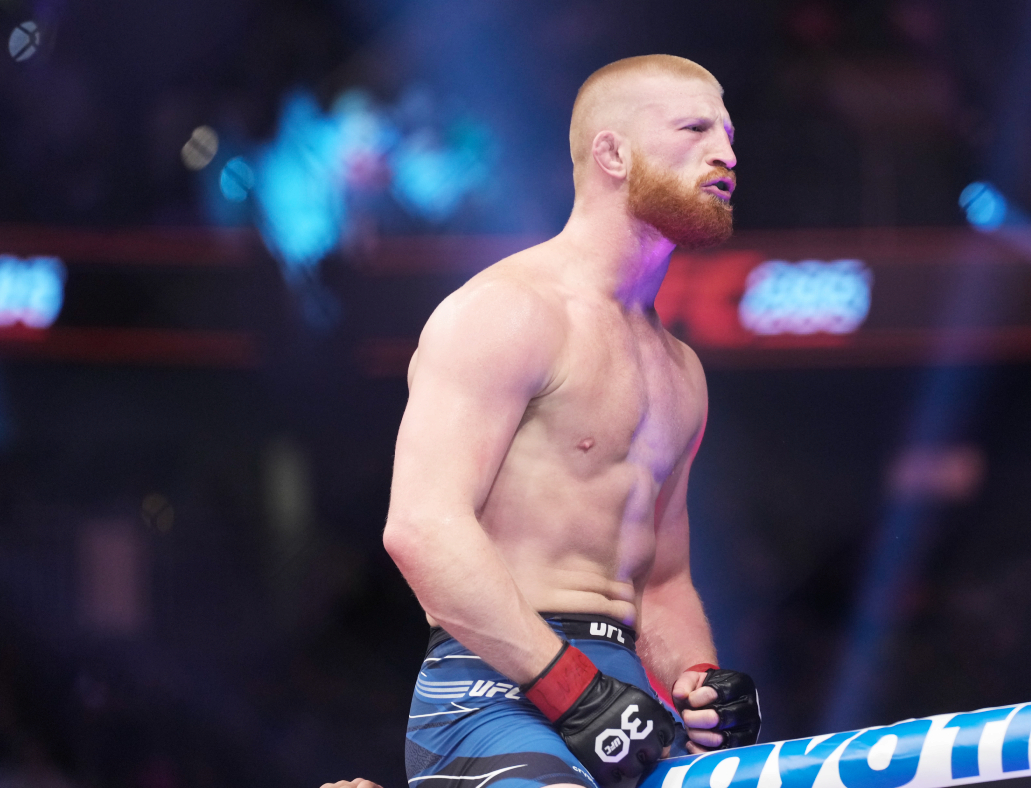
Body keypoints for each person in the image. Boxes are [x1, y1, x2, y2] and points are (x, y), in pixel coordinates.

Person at [324, 53, 760, 788]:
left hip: (623, 702)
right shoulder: (509, 310)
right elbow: (422, 528)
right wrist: (572, 690)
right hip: (495, 690)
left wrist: (701, 686)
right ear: (613, 154)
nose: (726, 153)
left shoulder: (680, 370)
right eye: (694, 129)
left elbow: (663, 581)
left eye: (728, 133)